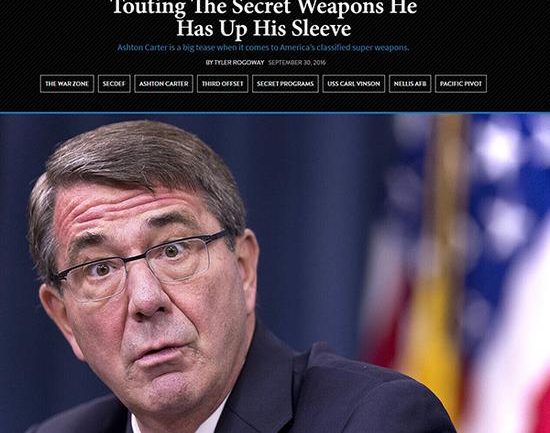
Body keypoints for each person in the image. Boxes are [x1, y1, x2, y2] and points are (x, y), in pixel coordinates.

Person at [26, 120, 456, 433]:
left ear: (244, 267)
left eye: (174, 250)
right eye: (100, 268)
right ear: (64, 319)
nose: (145, 299)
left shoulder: (377, 420)